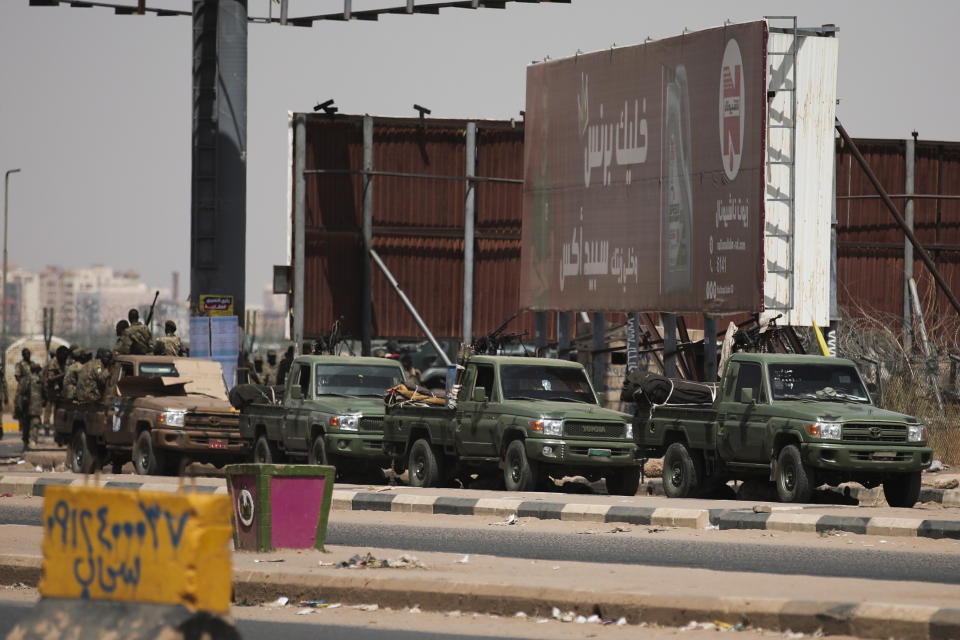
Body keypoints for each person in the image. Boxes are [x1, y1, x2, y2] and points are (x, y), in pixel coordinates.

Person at [42, 346, 70, 435]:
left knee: (58, 409)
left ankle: (56, 426)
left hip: (60, 389)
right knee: (49, 407)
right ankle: (46, 426)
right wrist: (63, 375)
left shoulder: (66, 361)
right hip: (51, 389)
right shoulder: (52, 363)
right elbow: (50, 378)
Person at [21, 362, 43, 449]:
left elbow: (21, 392)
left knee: (26, 424)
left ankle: (26, 442)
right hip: (35, 406)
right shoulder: (39, 380)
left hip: (27, 406)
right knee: (35, 424)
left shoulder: (26, 379)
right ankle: (32, 441)